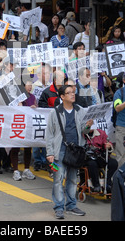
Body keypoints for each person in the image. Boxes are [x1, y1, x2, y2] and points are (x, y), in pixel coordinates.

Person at [46, 85, 93, 219]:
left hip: (75, 150)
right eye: (69, 93)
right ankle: (59, 207)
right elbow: (49, 134)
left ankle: (71, 206)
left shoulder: (80, 110)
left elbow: (84, 132)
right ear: (62, 97)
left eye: (73, 92)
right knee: (58, 179)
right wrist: (49, 153)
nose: (73, 94)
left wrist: (88, 126)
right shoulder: (55, 112)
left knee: (72, 179)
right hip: (59, 150)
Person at [83, 129, 117, 193]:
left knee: (113, 163)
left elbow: (107, 143)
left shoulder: (100, 132)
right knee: (92, 164)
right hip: (87, 157)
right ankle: (96, 185)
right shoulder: (82, 133)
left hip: (99, 156)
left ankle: (108, 183)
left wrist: (109, 146)